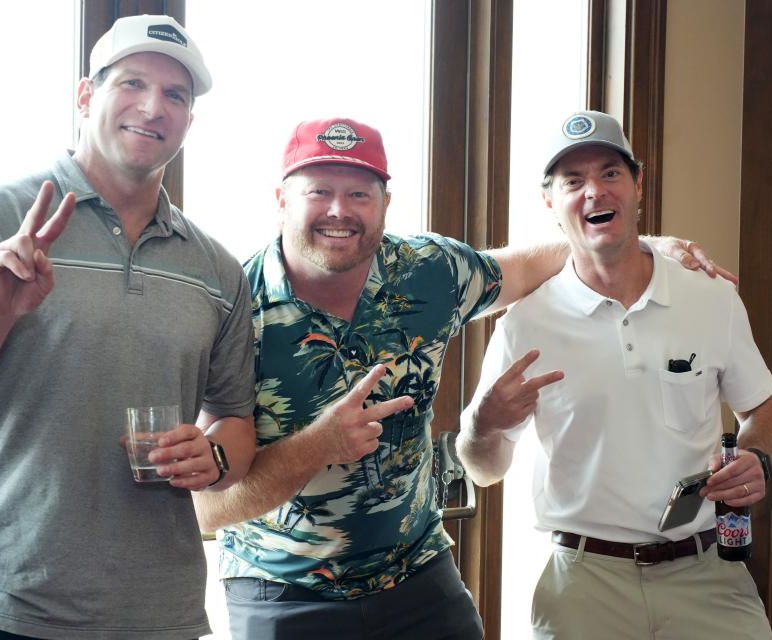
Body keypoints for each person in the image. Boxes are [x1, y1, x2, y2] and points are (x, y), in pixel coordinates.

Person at [191, 116, 726, 640]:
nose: (339, 211)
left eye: (359, 194)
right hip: (284, 592)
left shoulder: (429, 271)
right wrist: (316, 446)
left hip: (419, 576)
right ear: (282, 199)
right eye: (319, 191)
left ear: (384, 203)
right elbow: (207, 506)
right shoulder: (234, 308)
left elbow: (524, 267)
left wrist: (649, 246)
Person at [0, 15, 256, 640]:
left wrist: (214, 455)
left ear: (189, 122)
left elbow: (236, 424)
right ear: (86, 96)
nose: (153, 106)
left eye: (176, 95)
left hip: (157, 618)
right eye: (133, 82)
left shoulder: (216, 267)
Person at [456, 110, 772, 639]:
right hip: (583, 585)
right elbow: (484, 469)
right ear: (550, 202)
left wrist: (758, 457)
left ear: (639, 184)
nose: (594, 191)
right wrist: (481, 425)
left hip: (707, 574)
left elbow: (764, 412)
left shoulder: (711, 298)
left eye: (610, 173)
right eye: (573, 181)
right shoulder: (524, 324)